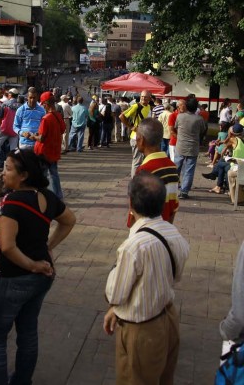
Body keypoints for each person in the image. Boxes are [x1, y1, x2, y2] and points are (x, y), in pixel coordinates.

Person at [0, 148, 76, 385]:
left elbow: (7, 247)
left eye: (7, 168)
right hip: (40, 279)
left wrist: (34, 264)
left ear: (23, 175)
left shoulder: (12, 203)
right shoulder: (45, 196)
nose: (3, 173)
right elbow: (69, 220)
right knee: (27, 332)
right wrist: (47, 248)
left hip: (11, 278)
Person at [104, 172, 190, 385]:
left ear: (131, 203)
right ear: (162, 203)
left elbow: (115, 293)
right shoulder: (174, 234)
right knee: (164, 378)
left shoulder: (133, 247)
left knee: (135, 378)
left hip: (141, 329)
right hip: (168, 318)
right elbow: (175, 275)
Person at [131, 118, 179, 226]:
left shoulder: (144, 171)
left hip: (146, 231)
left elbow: (136, 212)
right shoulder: (172, 167)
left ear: (141, 140)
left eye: (137, 136)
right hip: (165, 228)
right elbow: (173, 205)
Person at [33, 92, 66, 200]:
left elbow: (41, 138)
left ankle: (42, 196)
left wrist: (31, 136)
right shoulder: (58, 116)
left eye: (43, 104)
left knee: (42, 175)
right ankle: (58, 196)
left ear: (46, 103)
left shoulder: (46, 119)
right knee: (54, 174)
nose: (42, 106)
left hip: (44, 151)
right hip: (54, 150)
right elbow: (62, 130)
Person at [173, 96, 206, 199]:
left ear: (186, 106)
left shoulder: (180, 116)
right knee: (189, 170)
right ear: (196, 107)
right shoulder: (199, 119)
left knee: (176, 168)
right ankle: (184, 192)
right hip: (193, 148)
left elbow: (175, 128)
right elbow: (202, 131)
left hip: (180, 146)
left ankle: (171, 188)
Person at [120, 91, 152, 176]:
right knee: (137, 161)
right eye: (142, 96)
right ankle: (134, 182)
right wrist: (131, 127)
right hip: (136, 138)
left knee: (143, 161)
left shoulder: (149, 107)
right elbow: (122, 116)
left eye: (145, 97)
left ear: (149, 98)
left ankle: (139, 179)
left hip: (145, 138)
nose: (143, 98)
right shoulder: (136, 106)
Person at [0, 88, 21, 170]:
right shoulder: (20, 106)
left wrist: (0, 127)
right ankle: (14, 165)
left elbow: (0, 117)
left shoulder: (5, 104)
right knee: (13, 148)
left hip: (5, 129)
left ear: (10, 95)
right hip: (15, 130)